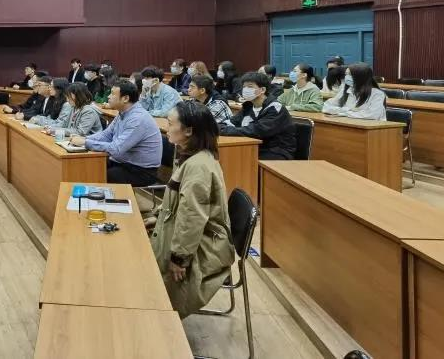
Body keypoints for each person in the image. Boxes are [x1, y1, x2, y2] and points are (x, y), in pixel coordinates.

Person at [149, 101, 235, 318]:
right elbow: (176, 202)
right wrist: (156, 216)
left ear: (188, 130)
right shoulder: (190, 156)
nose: (166, 128)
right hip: (184, 234)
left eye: (170, 124)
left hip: (199, 248)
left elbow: (191, 217)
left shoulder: (198, 166)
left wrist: (179, 258)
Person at [70, 79, 163, 186]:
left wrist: (85, 143)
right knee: (88, 165)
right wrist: (85, 139)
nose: (109, 96)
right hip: (123, 162)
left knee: (101, 174)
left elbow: (116, 149)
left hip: (141, 170)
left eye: (112, 94)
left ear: (125, 98)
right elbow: (106, 135)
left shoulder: (137, 119)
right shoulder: (122, 113)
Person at [220, 71, 296, 160]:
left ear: (262, 90)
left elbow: (256, 131)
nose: (246, 90)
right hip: (256, 147)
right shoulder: (248, 106)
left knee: (238, 159)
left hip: (276, 151)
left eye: (250, 86)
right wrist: (219, 127)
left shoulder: (275, 108)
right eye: (244, 87)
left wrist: (226, 130)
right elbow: (231, 122)